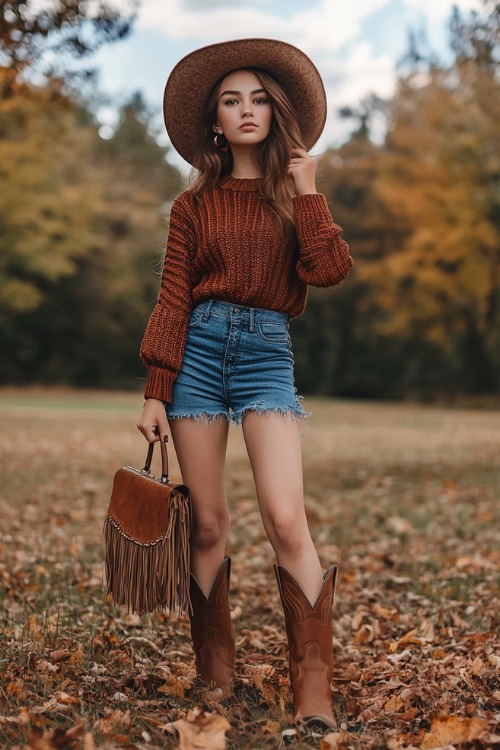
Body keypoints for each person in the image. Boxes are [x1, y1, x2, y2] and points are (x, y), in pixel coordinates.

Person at [137, 38, 353, 731]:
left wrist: (310, 189)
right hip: (197, 352)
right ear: (215, 123)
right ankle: (214, 675)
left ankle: (312, 683)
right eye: (232, 101)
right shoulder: (190, 207)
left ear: (276, 112)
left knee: (286, 518)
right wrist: (154, 388)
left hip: (266, 354)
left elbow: (330, 270)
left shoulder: (296, 196)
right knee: (205, 523)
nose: (247, 110)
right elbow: (172, 299)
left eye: (258, 98)